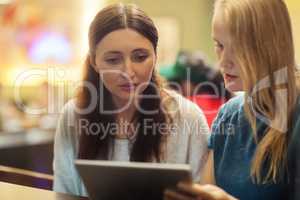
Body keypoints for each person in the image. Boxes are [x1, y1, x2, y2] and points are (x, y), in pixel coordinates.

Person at [53, 3, 210, 197]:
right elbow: (64, 193)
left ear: (155, 56)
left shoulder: (188, 117)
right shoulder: (74, 115)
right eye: (113, 60)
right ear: (94, 62)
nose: (128, 72)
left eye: (140, 57)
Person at [164, 0, 300, 199]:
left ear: (270, 46)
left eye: (238, 47)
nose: (223, 61)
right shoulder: (229, 115)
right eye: (219, 45)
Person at [160, 51, 232, 127]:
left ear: (190, 84)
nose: (175, 88)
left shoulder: (187, 107)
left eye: (178, 82)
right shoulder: (224, 101)